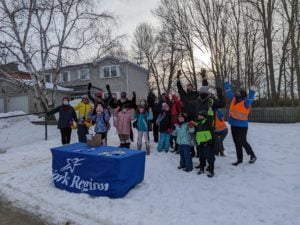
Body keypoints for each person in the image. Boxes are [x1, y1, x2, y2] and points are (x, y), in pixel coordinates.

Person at [224, 80, 257, 166]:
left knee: (242, 141)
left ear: (242, 95)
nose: (237, 93)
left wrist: (252, 91)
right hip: (233, 124)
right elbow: (229, 92)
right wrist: (226, 83)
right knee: (236, 142)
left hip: (242, 125)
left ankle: (252, 155)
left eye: (239, 93)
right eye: (237, 92)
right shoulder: (234, 99)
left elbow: (250, 99)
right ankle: (239, 159)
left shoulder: (246, 102)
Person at [193, 109, 215, 177]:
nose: (199, 116)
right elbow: (195, 124)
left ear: (204, 116)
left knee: (209, 157)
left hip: (207, 143)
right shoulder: (199, 123)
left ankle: (211, 170)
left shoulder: (208, 122)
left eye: (200, 115)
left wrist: (210, 108)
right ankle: (201, 168)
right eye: (199, 115)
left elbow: (211, 117)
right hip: (200, 143)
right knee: (201, 157)